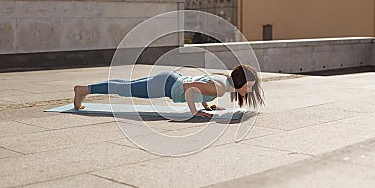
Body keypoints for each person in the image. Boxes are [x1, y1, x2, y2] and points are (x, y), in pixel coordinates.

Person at [73, 64, 264, 118]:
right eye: (249, 86)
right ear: (241, 82)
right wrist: (195, 111)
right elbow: (189, 89)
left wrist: (206, 104)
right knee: (125, 88)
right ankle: (84, 89)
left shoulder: (223, 81)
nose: (249, 90)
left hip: (168, 79)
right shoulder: (221, 87)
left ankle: (86, 89)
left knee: (125, 85)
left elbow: (202, 84)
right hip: (166, 85)